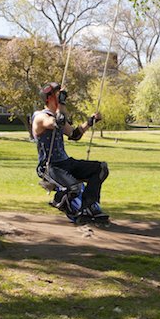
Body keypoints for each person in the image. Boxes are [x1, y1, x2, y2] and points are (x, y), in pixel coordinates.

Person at [32, 82, 110, 225]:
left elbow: (74, 134)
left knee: (100, 168)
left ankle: (88, 205)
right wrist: (61, 103)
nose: (61, 98)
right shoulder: (40, 117)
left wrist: (90, 122)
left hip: (66, 162)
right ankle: (60, 201)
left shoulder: (56, 115)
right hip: (50, 167)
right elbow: (57, 122)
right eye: (58, 95)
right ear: (49, 98)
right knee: (74, 187)